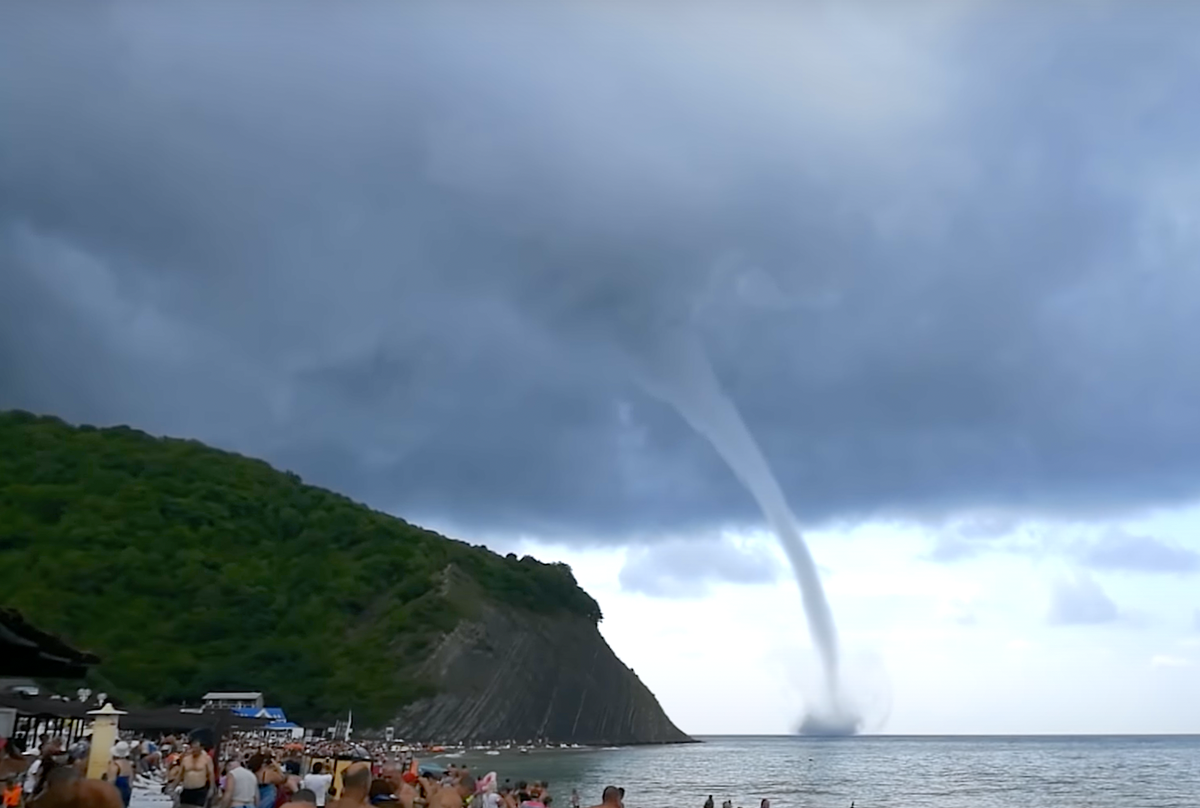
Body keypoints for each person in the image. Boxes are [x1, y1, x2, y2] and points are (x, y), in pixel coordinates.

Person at [176, 741, 215, 808]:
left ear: (201, 748)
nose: (194, 750)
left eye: (196, 748)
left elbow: (211, 774)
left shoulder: (206, 759)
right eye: (193, 748)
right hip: (186, 790)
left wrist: (212, 788)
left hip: (200, 790)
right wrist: (172, 786)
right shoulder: (185, 759)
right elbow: (180, 775)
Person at [105, 742, 134, 808]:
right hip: (126, 792)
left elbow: (111, 781)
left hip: (116, 792)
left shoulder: (115, 765)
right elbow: (130, 782)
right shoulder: (128, 764)